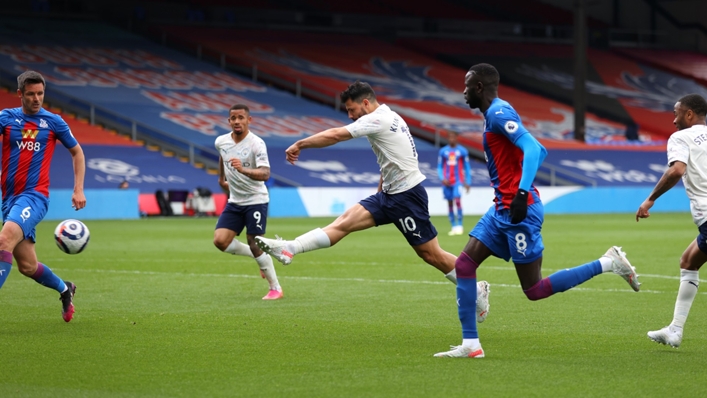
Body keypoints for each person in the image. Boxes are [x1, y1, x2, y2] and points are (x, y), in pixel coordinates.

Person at [434, 63, 640, 358]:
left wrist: (520, 193)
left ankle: (608, 263)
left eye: (467, 85)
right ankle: (471, 345)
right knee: (465, 266)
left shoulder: (497, 113)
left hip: (520, 210)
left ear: (479, 87)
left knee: (534, 290)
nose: (463, 91)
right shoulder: (494, 114)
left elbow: (534, 148)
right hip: (501, 210)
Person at [255, 81, 490, 321]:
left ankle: (476, 288)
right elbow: (391, 157)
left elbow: (336, 135)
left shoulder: (378, 119)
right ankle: (290, 248)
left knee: (431, 255)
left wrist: (300, 143)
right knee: (344, 222)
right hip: (389, 195)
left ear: (365, 103)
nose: (350, 115)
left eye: (351, 109)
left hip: (408, 197)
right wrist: (381, 190)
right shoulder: (390, 116)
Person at [0, 70, 86, 322]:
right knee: (27, 266)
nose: (36, 98)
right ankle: (65, 289)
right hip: (9, 199)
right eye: (31, 94)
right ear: (20, 94)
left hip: (34, 196)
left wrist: (78, 188)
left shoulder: (54, 122)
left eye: (40, 93)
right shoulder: (6, 119)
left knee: (4, 240)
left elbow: (77, 153)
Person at [637, 93, 707, 348]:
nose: (673, 120)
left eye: (677, 113)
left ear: (689, 114)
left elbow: (677, 170)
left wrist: (650, 199)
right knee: (688, 261)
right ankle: (675, 329)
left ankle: (676, 329)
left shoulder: (680, 137)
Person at [213, 104, 283, 300]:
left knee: (254, 241)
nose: (237, 121)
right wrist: (221, 178)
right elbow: (222, 155)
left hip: (256, 200)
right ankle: (259, 255)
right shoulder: (221, 141)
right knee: (220, 241)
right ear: (229, 121)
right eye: (233, 118)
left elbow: (265, 173)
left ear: (249, 120)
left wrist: (243, 170)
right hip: (235, 201)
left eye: (241, 118)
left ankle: (275, 288)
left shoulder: (257, 144)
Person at [437, 130, 471, 236]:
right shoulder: (443, 151)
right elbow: (439, 166)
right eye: (450, 137)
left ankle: (460, 225)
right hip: (447, 182)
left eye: (453, 137)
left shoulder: (462, 151)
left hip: (458, 181)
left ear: (457, 138)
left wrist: (468, 181)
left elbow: (467, 167)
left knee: (457, 200)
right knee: (450, 203)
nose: (451, 139)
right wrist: (442, 178)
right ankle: (453, 226)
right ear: (448, 138)